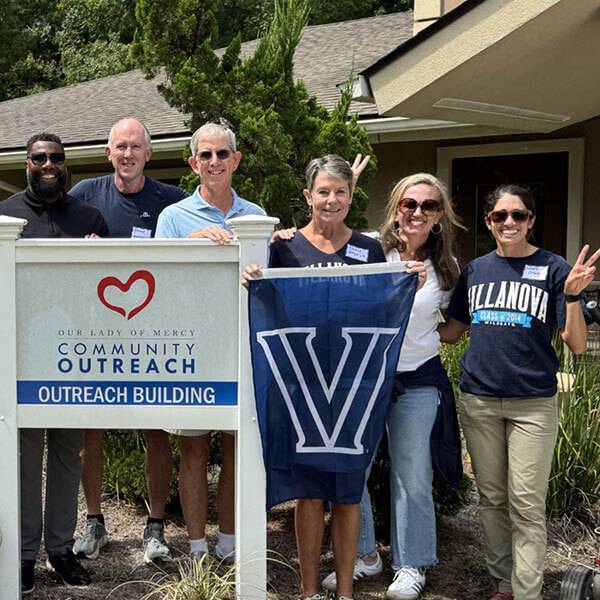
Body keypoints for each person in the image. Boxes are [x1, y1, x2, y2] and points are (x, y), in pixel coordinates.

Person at [242, 155, 426, 600]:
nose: (331, 200)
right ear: (308, 196)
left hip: (352, 387)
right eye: (323, 191)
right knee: (308, 491)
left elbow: (379, 303)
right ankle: (309, 592)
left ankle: (344, 592)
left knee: (348, 488)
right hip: (300, 386)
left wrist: (406, 285)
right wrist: (255, 278)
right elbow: (272, 303)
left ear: (350, 196)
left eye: (340, 191)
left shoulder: (368, 248)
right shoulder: (284, 247)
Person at [439, 184, 600, 600]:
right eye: (499, 216)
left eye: (519, 215)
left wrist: (573, 296)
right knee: (491, 499)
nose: (509, 222)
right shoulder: (475, 271)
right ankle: (504, 584)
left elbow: (576, 343)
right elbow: (452, 333)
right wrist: (401, 303)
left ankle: (526, 593)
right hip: (479, 400)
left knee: (526, 503)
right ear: (489, 222)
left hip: (532, 403)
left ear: (531, 220)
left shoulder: (553, 268)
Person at [319, 173, 464, 600]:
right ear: (396, 207)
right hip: (363, 377)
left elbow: (453, 330)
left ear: (439, 217)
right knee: (350, 469)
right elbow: (322, 243)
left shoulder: (447, 269)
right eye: (409, 204)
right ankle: (364, 555)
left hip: (418, 381)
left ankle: (411, 564)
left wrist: (420, 338)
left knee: (412, 475)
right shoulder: (366, 248)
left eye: (429, 206)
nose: (418, 212)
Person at [69, 118, 188, 564]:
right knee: (90, 433)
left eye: (136, 146)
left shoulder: (171, 201)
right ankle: (95, 522)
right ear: (108, 152)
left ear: (148, 154)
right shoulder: (84, 196)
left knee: (155, 431)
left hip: (153, 333)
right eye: (121, 146)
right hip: (96, 331)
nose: (128, 154)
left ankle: (155, 526)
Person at [0, 132, 108, 594]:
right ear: (27, 163)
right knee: (24, 460)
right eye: (39, 157)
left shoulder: (89, 217)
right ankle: (24, 556)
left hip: (73, 357)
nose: (48, 164)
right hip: (20, 355)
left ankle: (60, 551)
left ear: (66, 166)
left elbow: (106, 286)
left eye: (56, 158)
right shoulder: (4, 216)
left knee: (68, 456)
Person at [156, 122, 266, 563]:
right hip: (194, 350)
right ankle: (198, 547)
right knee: (195, 450)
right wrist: (190, 242)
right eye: (206, 155)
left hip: (242, 345)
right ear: (193, 164)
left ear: (236, 159)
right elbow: (156, 283)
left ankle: (230, 544)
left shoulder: (255, 215)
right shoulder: (174, 218)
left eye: (223, 154)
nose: (215, 162)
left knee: (237, 447)